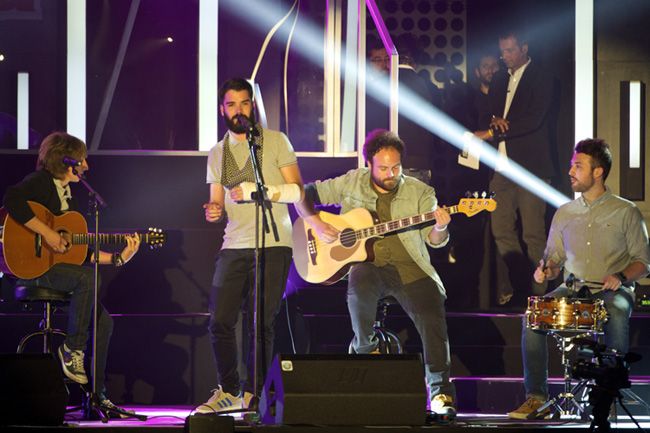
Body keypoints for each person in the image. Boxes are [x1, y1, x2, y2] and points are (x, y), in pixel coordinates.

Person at [294, 129, 456, 417]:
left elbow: (435, 241)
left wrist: (441, 226)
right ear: (368, 163)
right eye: (383, 168)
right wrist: (316, 223)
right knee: (359, 281)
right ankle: (366, 353)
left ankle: (439, 389)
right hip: (369, 266)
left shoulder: (421, 192)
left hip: (411, 267)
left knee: (432, 308)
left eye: (396, 167)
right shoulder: (351, 181)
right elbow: (304, 193)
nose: (390, 173)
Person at [508, 138, 650, 419]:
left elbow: (643, 263)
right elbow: (554, 261)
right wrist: (545, 269)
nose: (570, 171)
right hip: (572, 289)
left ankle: (607, 396)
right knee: (533, 316)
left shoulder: (626, 211)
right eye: (572, 165)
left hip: (612, 289)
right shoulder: (564, 213)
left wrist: (620, 276)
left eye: (578, 166)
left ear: (598, 172)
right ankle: (536, 398)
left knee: (616, 310)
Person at [2, 131, 141, 412]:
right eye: (82, 160)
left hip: (61, 272)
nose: (87, 166)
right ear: (65, 161)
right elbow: (12, 199)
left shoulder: (72, 203)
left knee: (104, 322)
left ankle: (97, 396)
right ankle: (72, 350)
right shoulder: (41, 183)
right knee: (86, 278)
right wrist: (47, 234)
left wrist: (119, 258)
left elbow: (80, 253)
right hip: (32, 269)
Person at [198, 78, 304, 413]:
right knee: (220, 320)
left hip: (274, 242)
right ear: (222, 110)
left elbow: (298, 191)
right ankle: (230, 390)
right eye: (231, 104)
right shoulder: (217, 153)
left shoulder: (275, 142)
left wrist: (259, 192)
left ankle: (254, 395)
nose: (238, 110)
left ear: (252, 107)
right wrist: (213, 211)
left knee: (261, 322)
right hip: (235, 244)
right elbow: (215, 206)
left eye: (244, 103)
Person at [475, 30, 556, 305]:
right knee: (500, 229)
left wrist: (498, 131)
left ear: (524, 48)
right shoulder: (499, 78)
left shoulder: (541, 75)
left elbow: (534, 119)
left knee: (533, 231)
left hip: (530, 167)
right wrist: (494, 124)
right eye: (502, 51)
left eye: (509, 51)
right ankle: (521, 284)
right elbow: (494, 115)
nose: (504, 56)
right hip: (501, 166)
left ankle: (539, 292)